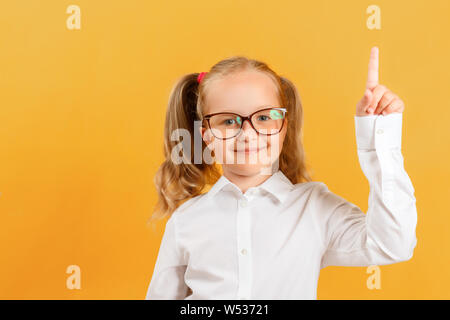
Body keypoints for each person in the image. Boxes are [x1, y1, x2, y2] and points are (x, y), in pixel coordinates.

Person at [145, 46, 417, 300]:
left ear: (284, 127)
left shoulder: (313, 208)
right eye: (229, 121)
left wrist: (379, 139)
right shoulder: (185, 222)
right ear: (207, 136)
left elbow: (392, 244)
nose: (247, 135)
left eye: (263, 117)